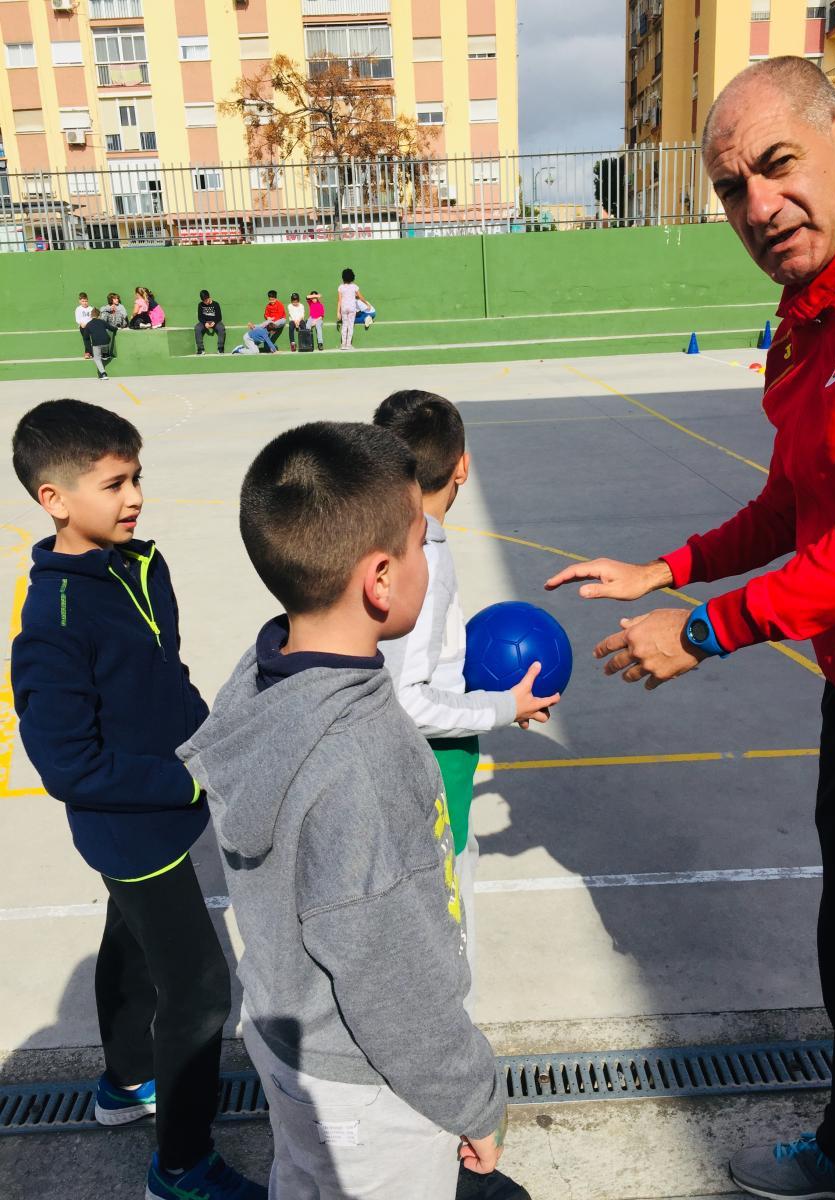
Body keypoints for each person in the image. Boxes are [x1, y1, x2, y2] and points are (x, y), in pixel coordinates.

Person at [545, 56, 835, 1200]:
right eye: (734, 189)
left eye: (777, 165)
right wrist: (668, 567)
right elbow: (796, 501)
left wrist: (701, 631)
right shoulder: (814, 312)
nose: (759, 206)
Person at [178, 421, 508, 1200]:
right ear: (381, 579)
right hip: (369, 1087)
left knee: (304, 1178)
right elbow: (391, 977)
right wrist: (473, 1099)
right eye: (423, 542)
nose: (432, 556)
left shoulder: (261, 677)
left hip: (288, 1039)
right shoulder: (365, 755)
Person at [10, 400, 264, 1200]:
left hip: (165, 808)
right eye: (115, 483)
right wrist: (188, 780)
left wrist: (208, 741)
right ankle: (181, 1168)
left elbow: (164, 673)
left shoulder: (138, 565)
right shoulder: (52, 620)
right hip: (131, 832)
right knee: (200, 991)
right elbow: (68, 766)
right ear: (54, 499)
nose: (136, 497)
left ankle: (123, 1083)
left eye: (137, 477)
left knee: (128, 941)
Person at [374, 391, 558, 1200]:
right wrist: (499, 707)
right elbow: (407, 698)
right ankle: (446, 1134)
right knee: (447, 963)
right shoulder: (425, 552)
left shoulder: (381, 535)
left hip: (407, 775)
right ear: (464, 467)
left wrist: (480, 687)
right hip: (430, 779)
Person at [336, 268, 372, 350]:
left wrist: (338, 312)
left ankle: (343, 345)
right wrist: (367, 304)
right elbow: (360, 297)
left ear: (343, 277)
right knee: (350, 326)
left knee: (344, 325)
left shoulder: (340, 287)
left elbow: (339, 300)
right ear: (352, 277)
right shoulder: (354, 286)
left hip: (344, 308)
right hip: (352, 308)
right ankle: (348, 345)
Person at [83, 307, 112, 380]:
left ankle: (103, 374)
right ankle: (105, 355)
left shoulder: (88, 324)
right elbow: (111, 328)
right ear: (99, 315)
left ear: (91, 315)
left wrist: (89, 349)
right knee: (105, 345)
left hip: (96, 344)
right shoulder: (102, 322)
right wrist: (116, 329)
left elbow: (86, 337)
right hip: (106, 342)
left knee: (97, 358)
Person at [195, 289, 226, 355]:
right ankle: (200, 349)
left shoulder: (216, 304)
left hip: (215, 322)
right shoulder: (200, 305)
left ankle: (220, 349)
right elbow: (200, 317)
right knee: (197, 328)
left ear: (209, 297)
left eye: (206, 300)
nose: (205, 302)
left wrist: (214, 322)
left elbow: (219, 317)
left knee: (221, 328)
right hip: (205, 322)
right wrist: (205, 323)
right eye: (204, 301)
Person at [75, 292, 92, 359]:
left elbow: (92, 318)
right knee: (86, 339)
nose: (85, 303)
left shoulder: (91, 308)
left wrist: (89, 324)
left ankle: (89, 352)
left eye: (86, 301)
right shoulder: (78, 309)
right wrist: (81, 323)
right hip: (83, 327)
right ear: (80, 301)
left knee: (90, 339)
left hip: (90, 327)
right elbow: (77, 318)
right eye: (83, 301)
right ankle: (88, 353)